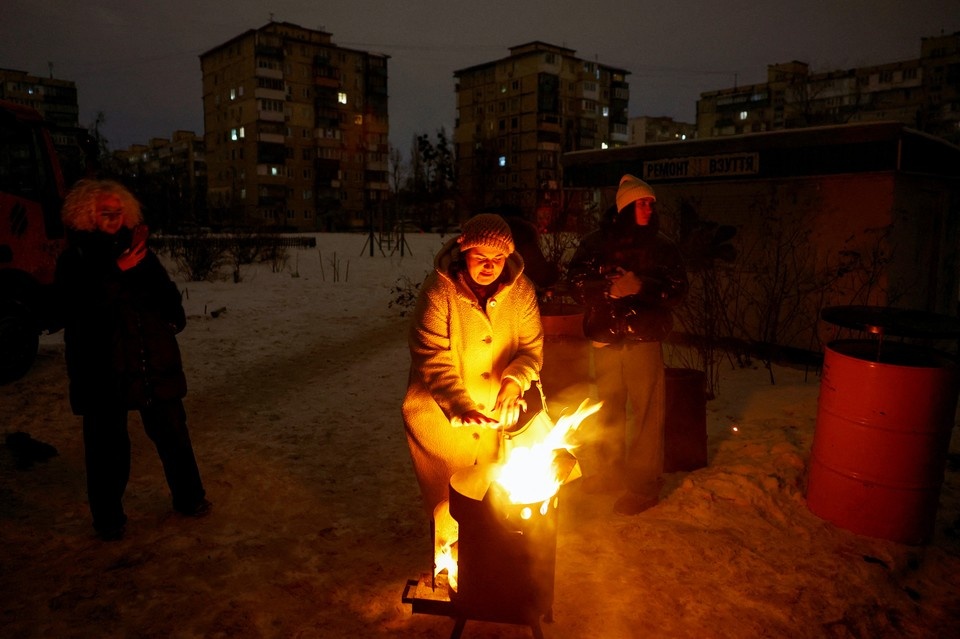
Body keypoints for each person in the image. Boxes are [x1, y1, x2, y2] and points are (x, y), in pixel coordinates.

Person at [55, 178, 210, 541]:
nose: (113, 218)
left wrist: (174, 315)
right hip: (103, 369)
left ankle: (190, 499)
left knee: (173, 433)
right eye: (105, 212)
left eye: (118, 211)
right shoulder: (74, 258)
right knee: (107, 447)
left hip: (152, 359)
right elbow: (75, 310)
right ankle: (108, 520)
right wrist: (116, 271)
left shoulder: (138, 249)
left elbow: (165, 290)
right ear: (86, 215)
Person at [402, 213, 543, 565]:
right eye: (481, 258)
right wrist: (458, 404)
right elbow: (430, 355)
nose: (490, 267)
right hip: (440, 415)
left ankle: (487, 564)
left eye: (498, 259)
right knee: (449, 499)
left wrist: (513, 382)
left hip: (496, 415)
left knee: (493, 495)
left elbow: (531, 349)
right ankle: (449, 566)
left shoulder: (521, 292)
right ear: (464, 252)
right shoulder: (439, 292)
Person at [567, 174, 688, 515]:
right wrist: (606, 289)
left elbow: (678, 289)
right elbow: (575, 281)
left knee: (648, 412)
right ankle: (607, 475)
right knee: (608, 412)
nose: (649, 208)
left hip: (643, 339)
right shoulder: (596, 243)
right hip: (605, 339)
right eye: (642, 203)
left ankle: (643, 485)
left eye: (651, 202)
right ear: (624, 208)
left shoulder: (663, 248)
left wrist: (642, 287)